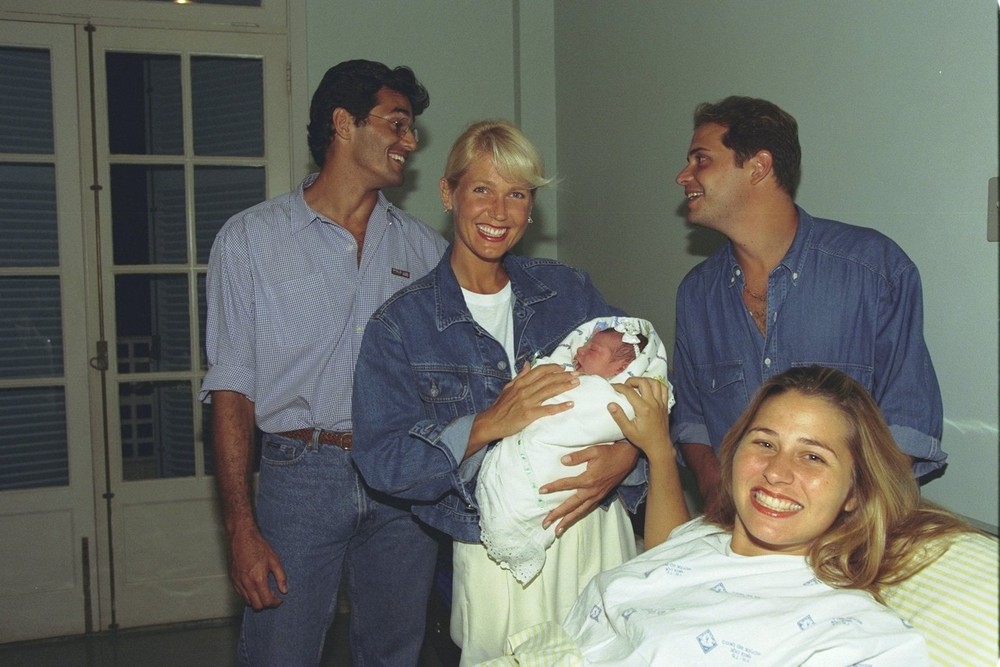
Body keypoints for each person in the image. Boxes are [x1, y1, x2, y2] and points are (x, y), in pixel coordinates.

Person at [351, 120, 645, 666]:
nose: (499, 212)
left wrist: (628, 454)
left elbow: (645, 384)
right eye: (482, 189)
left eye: (517, 194)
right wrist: (489, 422)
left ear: (532, 209)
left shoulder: (569, 291)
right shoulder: (401, 325)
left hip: (594, 529)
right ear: (448, 194)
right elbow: (383, 462)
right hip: (493, 552)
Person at [200, 59, 448, 666]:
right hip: (299, 478)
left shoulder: (426, 251)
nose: (410, 142)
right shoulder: (250, 240)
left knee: (395, 654)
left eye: (411, 128)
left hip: (401, 480)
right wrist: (241, 527)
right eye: (396, 123)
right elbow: (231, 388)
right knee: (278, 653)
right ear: (343, 123)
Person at [489, 366, 975, 666]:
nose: (777, 471)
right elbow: (665, 559)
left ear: (855, 492)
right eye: (764, 443)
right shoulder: (702, 538)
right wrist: (659, 451)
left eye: (813, 456)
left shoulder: (848, 632)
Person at [670, 95, 945, 512]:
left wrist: (846, 513)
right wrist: (718, 497)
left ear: (758, 166)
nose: (683, 176)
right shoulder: (696, 294)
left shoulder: (874, 270)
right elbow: (692, 421)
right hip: (737, 532)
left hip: (850, 530)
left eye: (701, 159)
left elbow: (908, 419)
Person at [477, 316, 671, 585]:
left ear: (622, 366)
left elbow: (638, 417)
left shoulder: (612, 396)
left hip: (584, 515)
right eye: (584, 344)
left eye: (592, 349)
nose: (579, 350)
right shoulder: (570, 376)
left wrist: (629, 449)